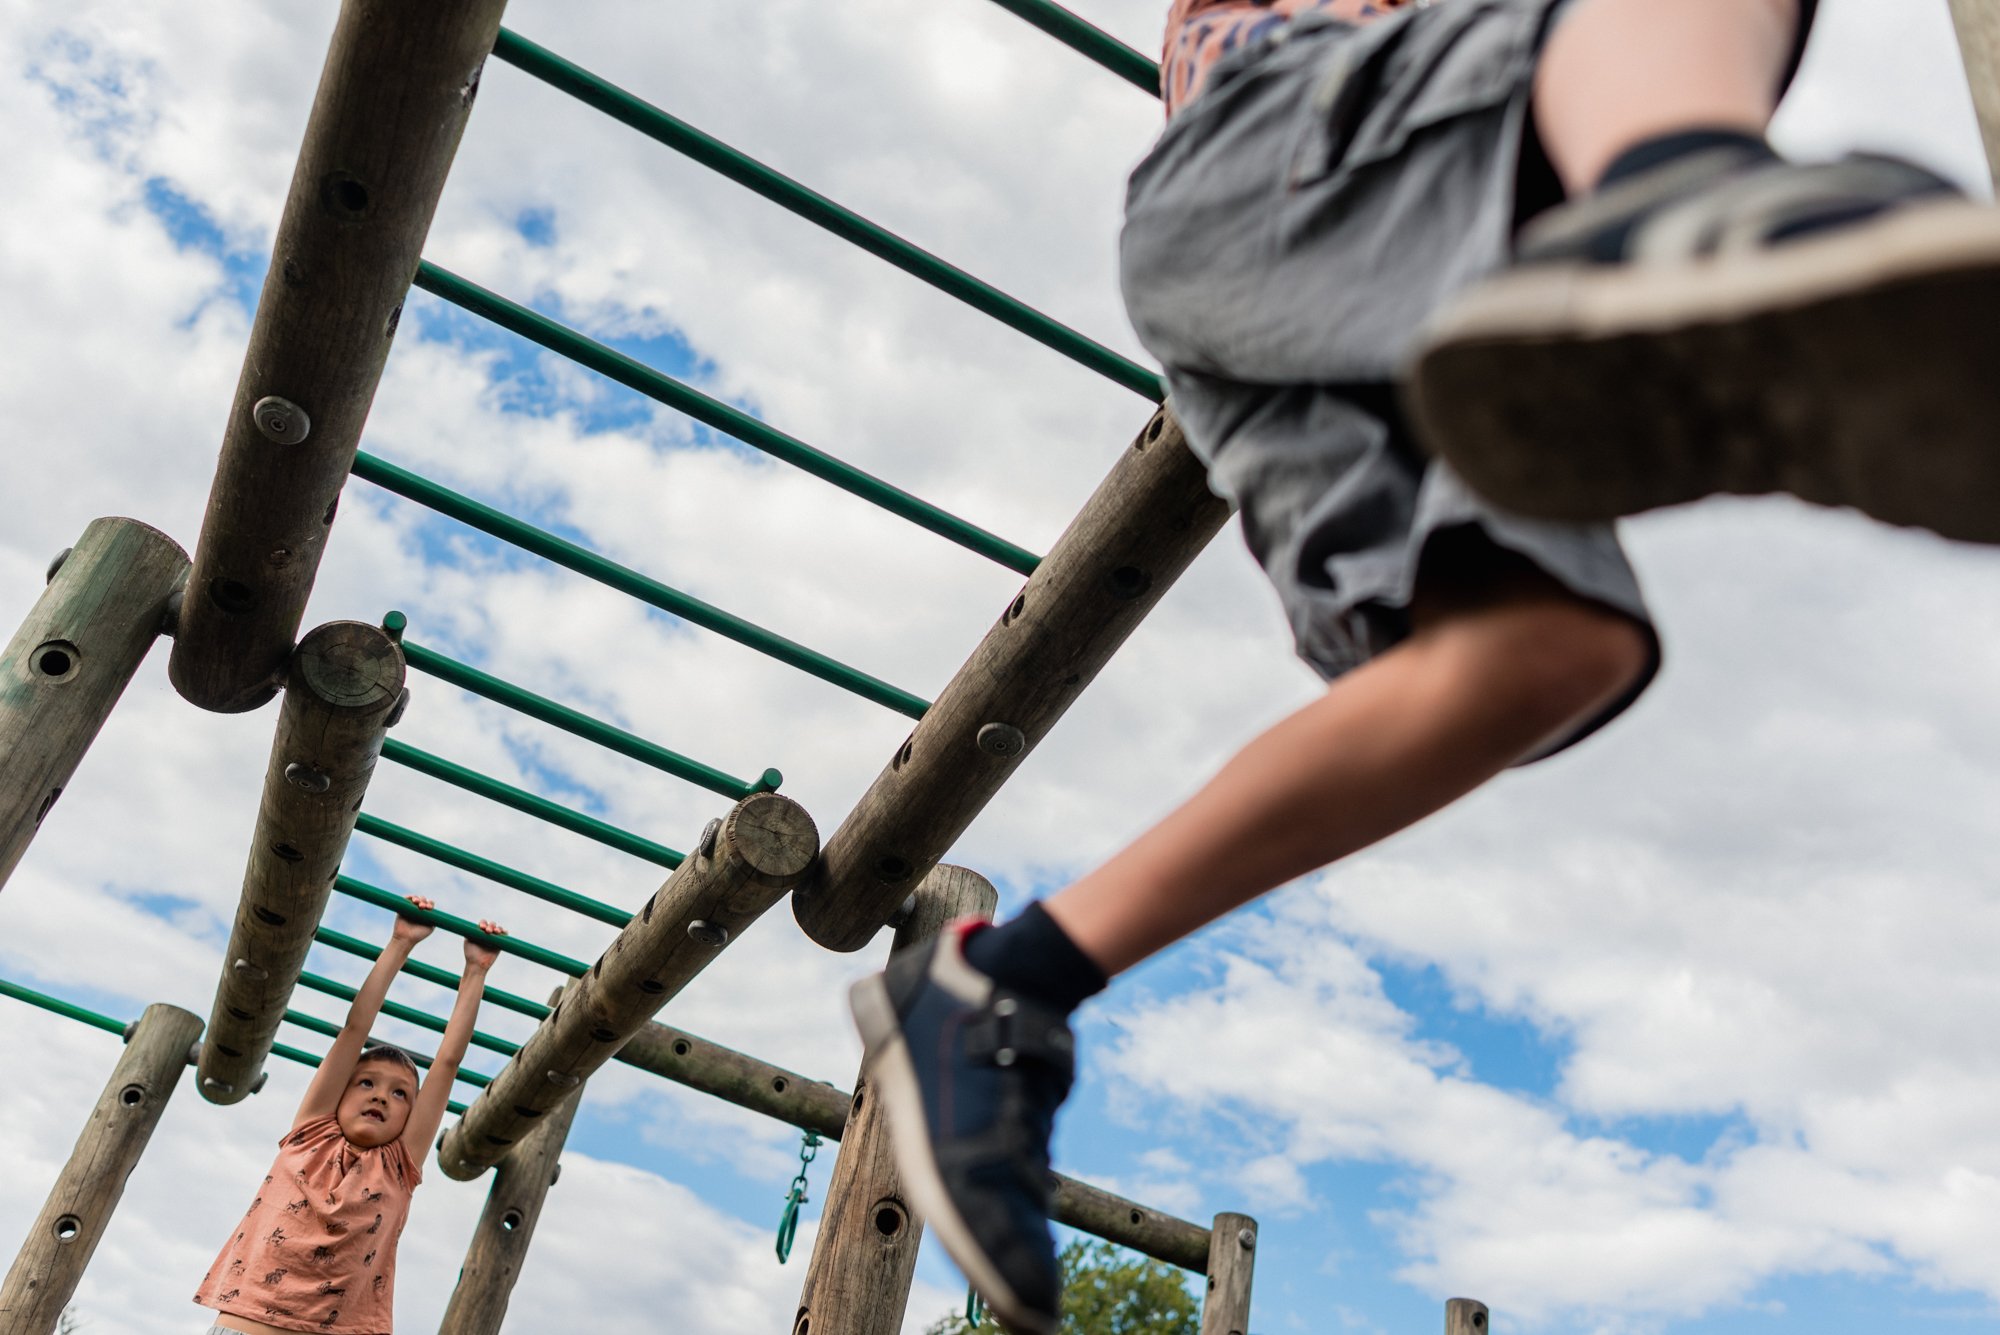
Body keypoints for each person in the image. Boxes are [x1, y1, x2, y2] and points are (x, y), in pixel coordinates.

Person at [850, 0, 2000, 1330]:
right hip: (1312, 149)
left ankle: (1006, 986)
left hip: (1308, 262)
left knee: (1537, 650)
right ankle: (1680, 195)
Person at [194, 897, 508, 1335]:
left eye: (400, 1094)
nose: (381, 1096)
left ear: (411, 1116)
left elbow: (447, 1064)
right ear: (338, 1093)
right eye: (366, 1083)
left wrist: (476, 970)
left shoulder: (398, 1166)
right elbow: (354, 1029)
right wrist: (400, 943)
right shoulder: (311, 1133)